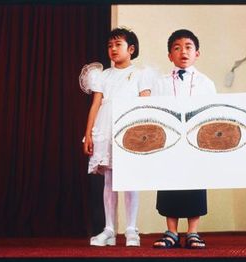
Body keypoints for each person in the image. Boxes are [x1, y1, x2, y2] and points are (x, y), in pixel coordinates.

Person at [80, 27, 151, 247]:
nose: (112, 49)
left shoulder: (141, 74)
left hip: (130, 127)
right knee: (109, 179)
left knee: (130, 178)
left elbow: (146, 104)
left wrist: (144, 134)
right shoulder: (102, 75)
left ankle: (131, 229)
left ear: (131, 49)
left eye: (117, 45)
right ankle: (109, 229)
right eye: (110, 45)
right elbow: (95, 105)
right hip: (106, 126)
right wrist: (88, 134)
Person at [151, 29, 216, 249]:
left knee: (195, 184)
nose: (183, 52)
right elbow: (154, 110)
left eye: (188, 47)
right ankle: (171, 231)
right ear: (170, 55)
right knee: (169, 183)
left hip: (195, 141)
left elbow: (212, 112)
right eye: (177, 48)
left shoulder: (207, 83)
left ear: (197, 53)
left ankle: (193, 232)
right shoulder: (159, 83)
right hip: (169, 141)